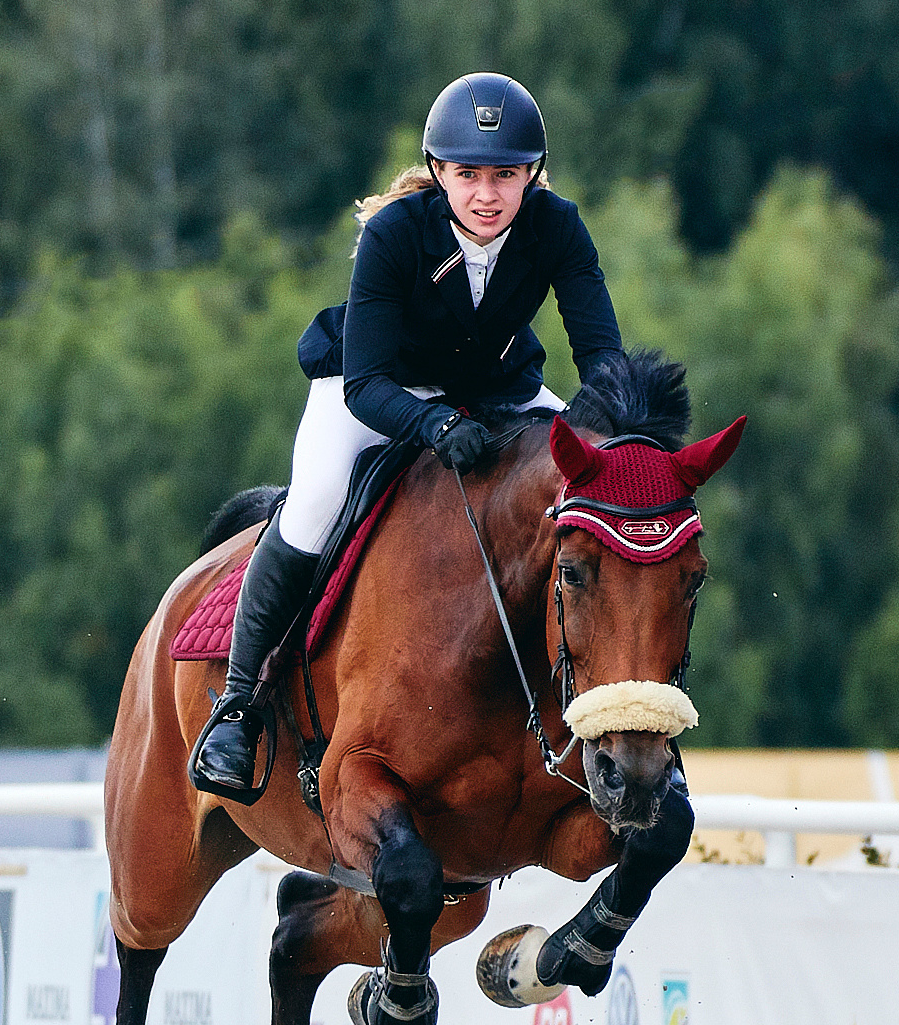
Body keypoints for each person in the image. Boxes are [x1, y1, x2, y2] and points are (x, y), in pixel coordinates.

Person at [187, 72, 626, 801]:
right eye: (468, 175)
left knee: (585, 490)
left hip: (495, 388)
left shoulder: (558, 227)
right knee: (318, 500)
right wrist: (433, 423)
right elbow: (366, 384)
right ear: (437, 173)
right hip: (377, 387)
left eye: (506, 176)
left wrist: (607, 434)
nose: (487, 194)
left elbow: (603, 357)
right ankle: (238, 708)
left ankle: (597, 704)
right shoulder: (396, 233)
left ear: (533, 176)